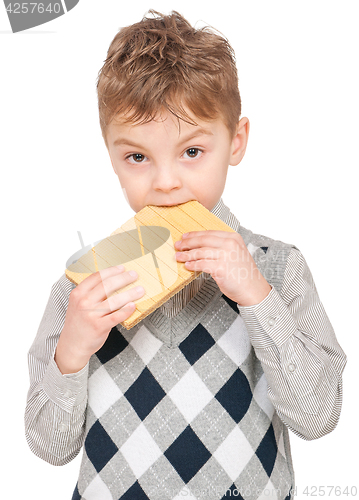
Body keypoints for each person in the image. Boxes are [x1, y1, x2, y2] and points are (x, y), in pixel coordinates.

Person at [24, 10, 347, 500]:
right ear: (111, 155)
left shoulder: (279, 267)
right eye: (137, 157)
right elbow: (50, 447)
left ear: (235, 142)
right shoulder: (83, 287)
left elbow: (319, 416)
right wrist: (71, 351)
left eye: (192, 151)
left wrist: (257, 296)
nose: (166, 181)